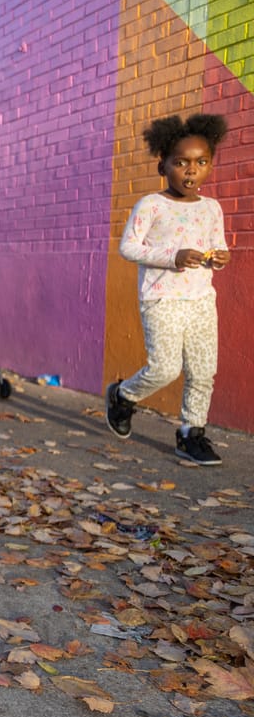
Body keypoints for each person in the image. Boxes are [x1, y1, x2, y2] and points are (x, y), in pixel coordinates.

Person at [105, 114, 231, 466]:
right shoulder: (152, 205)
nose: (191, 171)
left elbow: (217, 247)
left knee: (204, 372)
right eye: (181, 163)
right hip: (162, 299)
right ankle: (123, 396)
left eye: (201, 162)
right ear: (163, 165)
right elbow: (129, 248)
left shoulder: (212, 208)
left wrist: (220, 257)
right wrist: (173, 256)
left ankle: (192, 433)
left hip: (202, 301)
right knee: (164, 369)